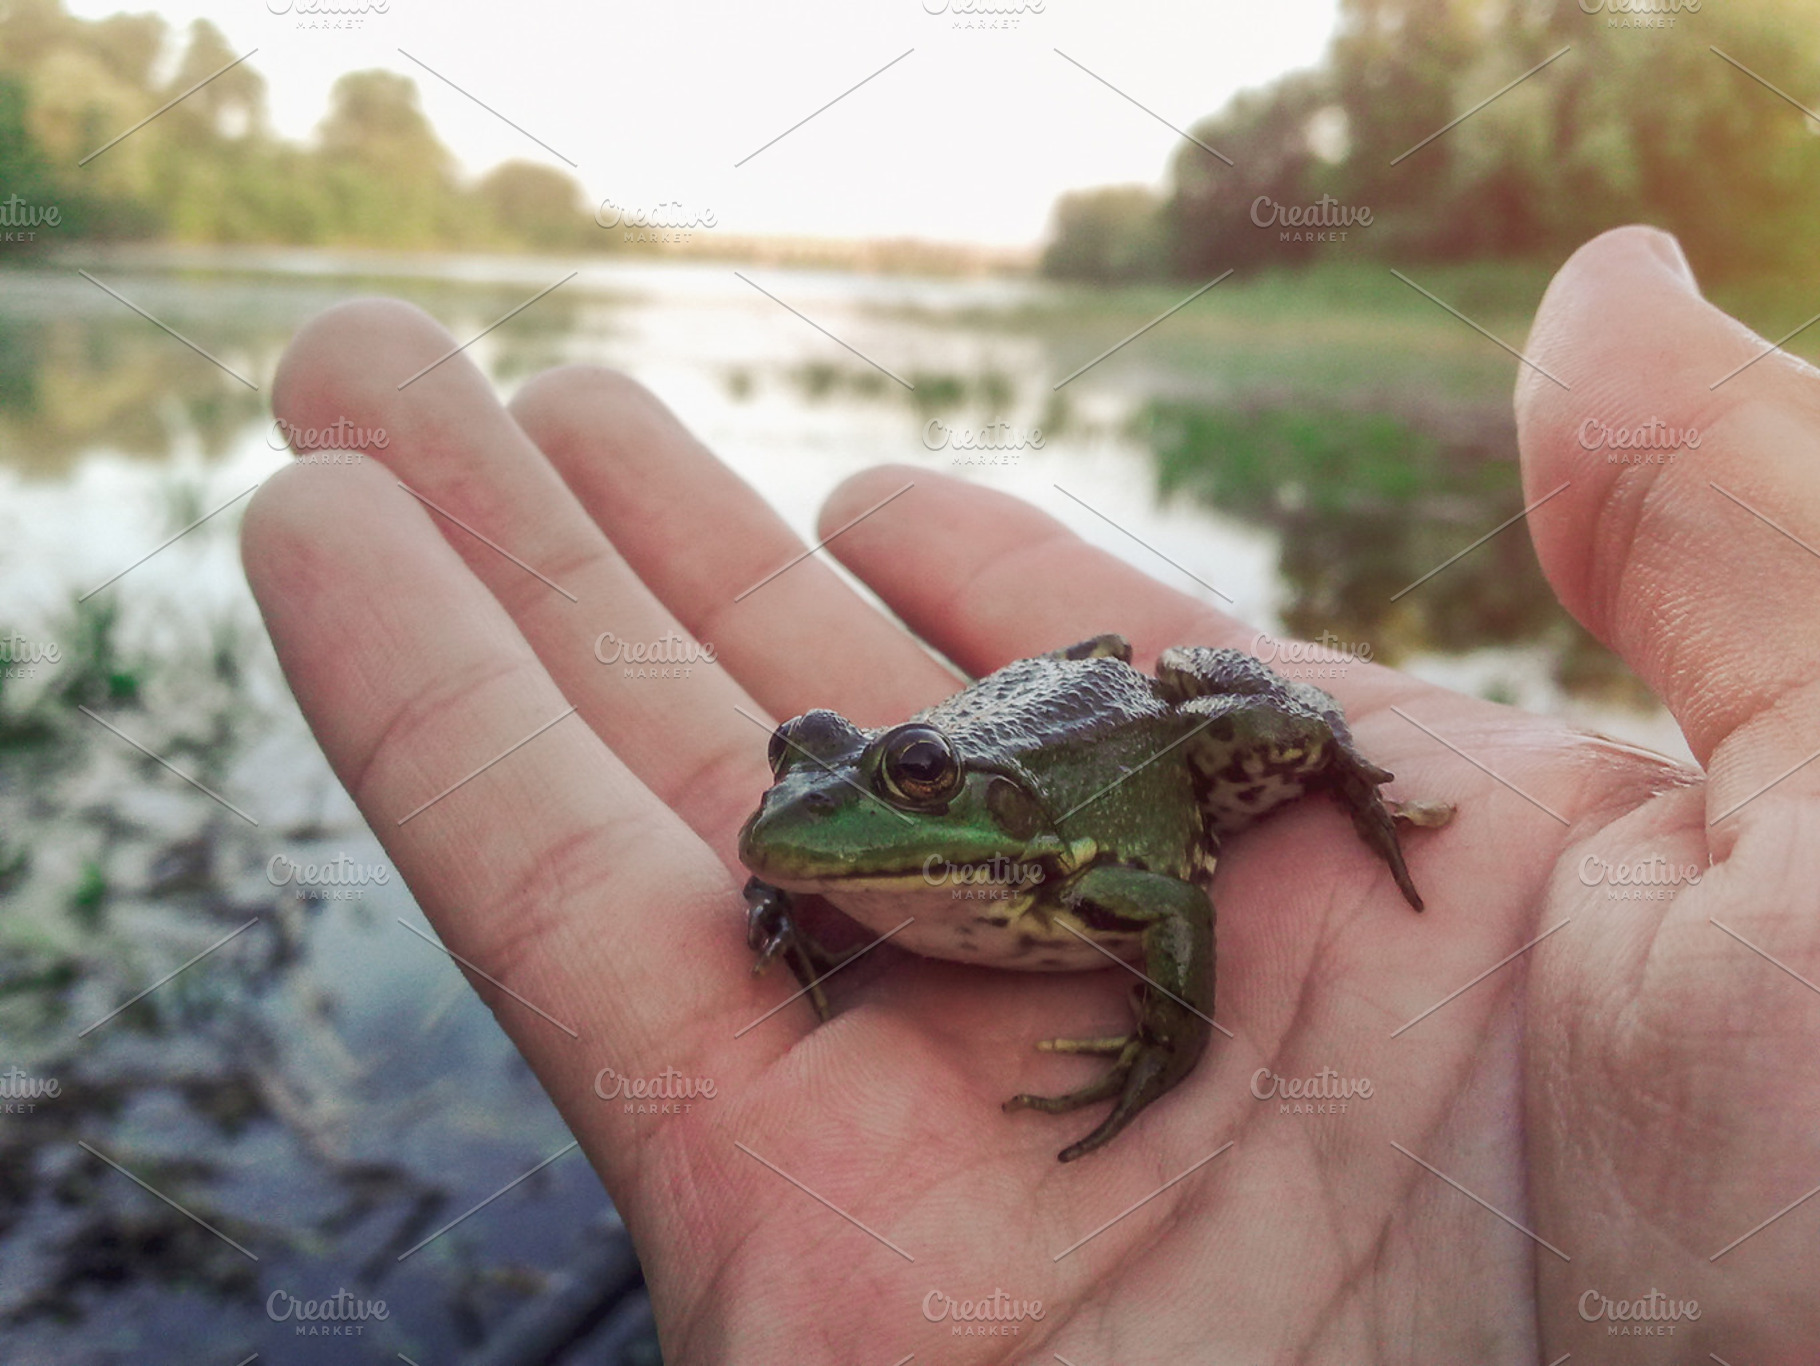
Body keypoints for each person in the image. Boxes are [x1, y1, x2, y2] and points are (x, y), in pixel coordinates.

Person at [241, 226, 1820, 1360]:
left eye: (905, 779)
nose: (804, 817)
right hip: (1020, 714)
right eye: (812, 766)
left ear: (955, 794)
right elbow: (795, 829)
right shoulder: (833, 842)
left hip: (1123, 731)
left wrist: (1162, 1051)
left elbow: (1173, 904)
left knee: (1261, 724)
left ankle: (1339, 768)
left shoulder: (1077, 879)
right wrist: (794, 888)